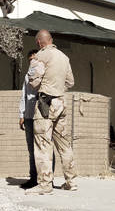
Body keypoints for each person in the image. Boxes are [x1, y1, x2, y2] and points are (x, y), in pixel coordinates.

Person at [27, 29, 76, 194]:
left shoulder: (41, 56)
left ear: (39, 42)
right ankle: (71, 181)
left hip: (45, 103)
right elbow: (70, 81)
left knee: (42, 143)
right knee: (64, 144)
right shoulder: (64, 57)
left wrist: (45, 86)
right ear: (51, 40)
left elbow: (33, 81)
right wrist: (57, 88)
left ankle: (45, 184)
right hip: (61, 102)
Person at [17, 50, 43, 189]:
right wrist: (21, 114)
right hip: (28, 115)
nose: (32, 62)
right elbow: (24, 94)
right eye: (30, 60)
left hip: (40, 115)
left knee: (43, 148)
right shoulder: (27, 76)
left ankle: (45, 179)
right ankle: (33, 178)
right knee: (31, 149)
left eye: (34, 59)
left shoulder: (44, 74)